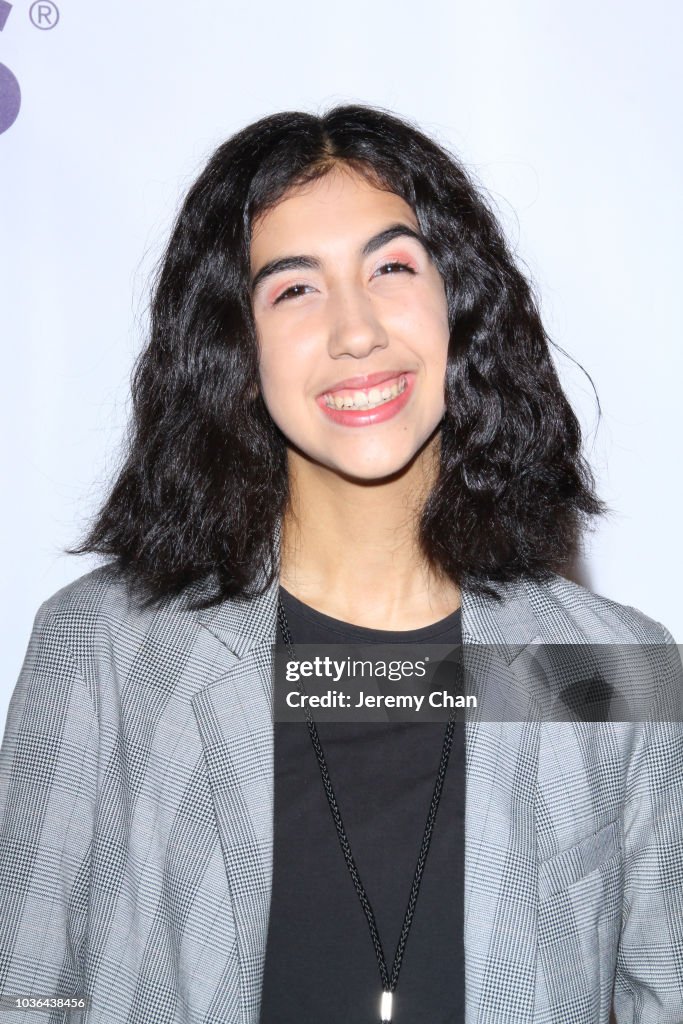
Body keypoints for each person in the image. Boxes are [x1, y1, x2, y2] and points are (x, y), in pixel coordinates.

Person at [0, 104, 681, 1024]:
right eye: (294, 289)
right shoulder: (104, 649)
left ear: (461, 304)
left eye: (391, 268)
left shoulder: (600, 673)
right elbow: (25, 990)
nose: (355, 330)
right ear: (235, 351)